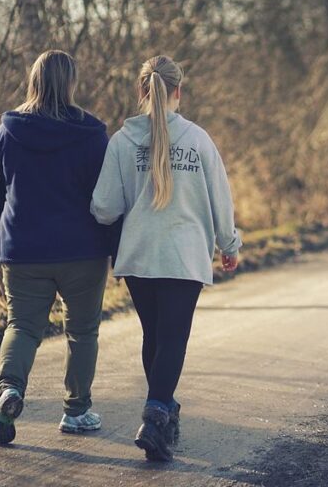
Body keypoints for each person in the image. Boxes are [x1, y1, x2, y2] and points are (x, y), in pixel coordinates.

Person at [90, 55, 242, 461]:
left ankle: (163, 411)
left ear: (141, 91)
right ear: (178, 91)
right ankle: (156, 415)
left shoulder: (122, 142)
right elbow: (220, 200)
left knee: (154, 337)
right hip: (183, 255)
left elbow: (103, 208)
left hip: (139, 256)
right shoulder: (197, 140)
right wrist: (230, 246)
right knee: (173, 338)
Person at [0, 50, 115, 444]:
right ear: (70, 82)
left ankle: (10, 389)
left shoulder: (8, 130)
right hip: (83, 250)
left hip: (23, 250)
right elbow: (107, 196)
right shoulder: (92, 134)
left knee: (22, 325)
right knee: (82, 331)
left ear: (34, 79)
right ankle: (76, 412)